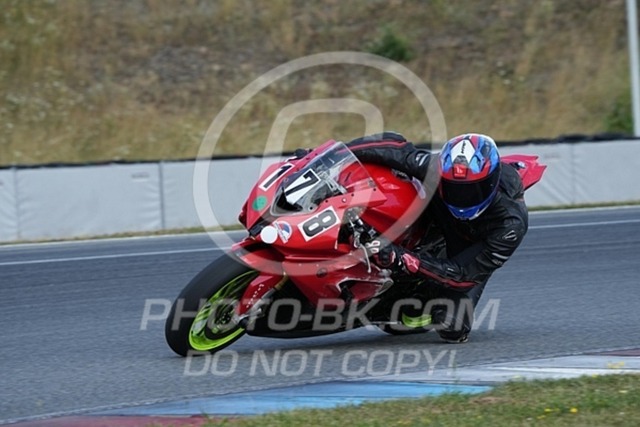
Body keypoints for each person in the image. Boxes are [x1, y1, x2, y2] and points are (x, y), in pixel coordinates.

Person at [347, 131, 529, 343]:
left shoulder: (510, 225)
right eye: (452, 187)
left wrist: (404, 259)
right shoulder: (437, 167)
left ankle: (407, 303)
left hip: (468, 248)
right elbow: (394, 149)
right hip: (436, 215)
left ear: (492, 183)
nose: (461, 197)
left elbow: (463, 274)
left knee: (452, 326)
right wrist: (328, 155)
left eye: (472, 190)